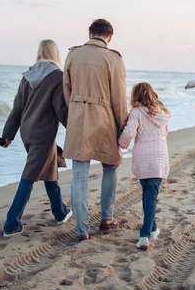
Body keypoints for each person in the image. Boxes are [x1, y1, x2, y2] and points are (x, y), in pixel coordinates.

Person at [63, 19, 128, 241]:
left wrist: (73, 113)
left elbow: (66, 90)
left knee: (79, 175)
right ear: (109, 37)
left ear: (90, 33)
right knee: (111, 167)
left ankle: (82, 229)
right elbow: (119, 98)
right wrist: (123, 126)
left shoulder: (73, 54)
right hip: (104, 118)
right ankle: (107, 218)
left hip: (78, 119)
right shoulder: (114, 58)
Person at [1, 40, 73, 237]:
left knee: (49, 170)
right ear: (55, 53)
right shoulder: (56, 76)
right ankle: (11, 223)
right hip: (43, 134)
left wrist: (8, 135)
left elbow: (17, 109)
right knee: (29, 176)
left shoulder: (28, 75)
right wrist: (76, 128)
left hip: (27, 131)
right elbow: (60, 109)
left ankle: (60, 213)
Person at [118, 83, 170, 250]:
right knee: (150, 194)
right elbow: (165, 132)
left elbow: (128, 133)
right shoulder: (162, 113)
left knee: (148, 193)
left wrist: (121, 144)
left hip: (143, 156)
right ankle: (151, 229)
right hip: (159, 155)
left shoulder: (135, 112)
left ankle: (144, 235)